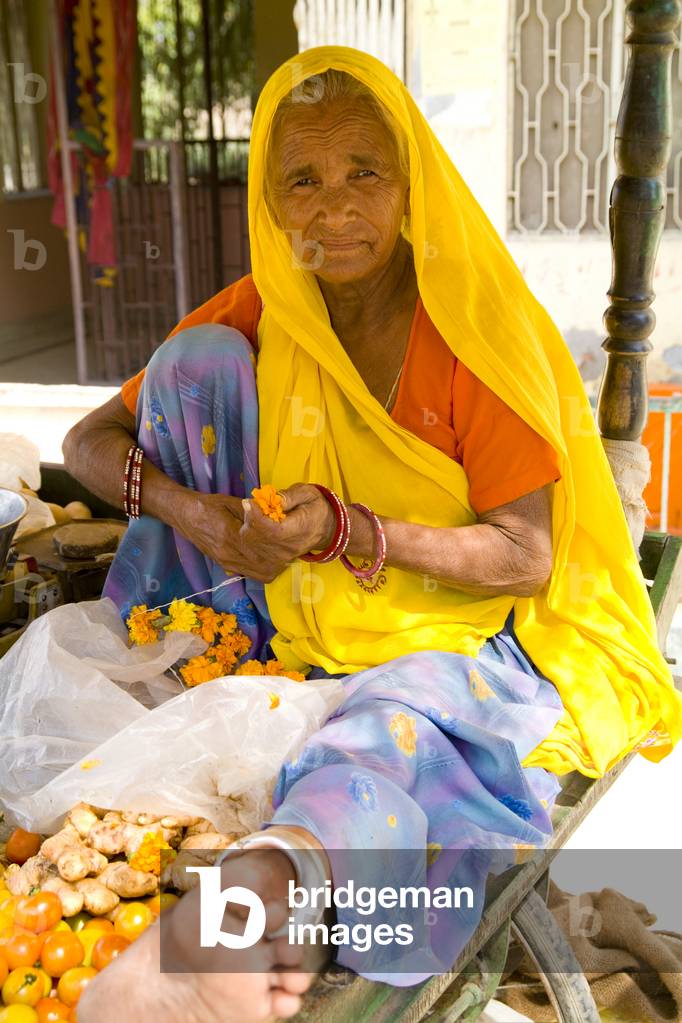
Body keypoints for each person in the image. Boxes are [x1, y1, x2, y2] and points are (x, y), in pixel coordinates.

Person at [65, 46, 682, 1023]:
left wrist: (353, 530)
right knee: (193, 363)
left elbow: (524, 558)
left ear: (411, 184)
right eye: (300, 180)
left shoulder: (469, 332)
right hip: (283, 618)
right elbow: (87, 439)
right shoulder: (272, 305)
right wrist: (201, 517)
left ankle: (257, 905)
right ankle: (209, 680)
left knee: (397, 727)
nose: (335, 207)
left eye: (366, 173)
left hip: (459, 635)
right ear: (269, 202)